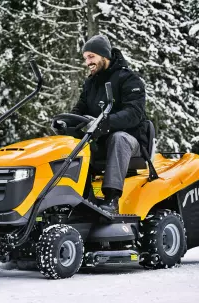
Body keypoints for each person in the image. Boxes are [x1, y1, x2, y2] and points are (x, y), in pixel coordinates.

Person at [53, 34, 147, 214]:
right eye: (85, 58)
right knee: (73, 144)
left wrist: (108, 122)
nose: (87, 62)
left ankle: (112, 198)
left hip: (131, 141)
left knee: (118, 138)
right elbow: (79, 110)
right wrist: (64, 123)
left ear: (104, 55)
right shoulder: (91, 83)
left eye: (91, 57)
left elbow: (134, 113)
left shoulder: (129, 79)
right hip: (100, 138)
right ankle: (79, 196)